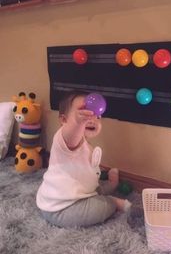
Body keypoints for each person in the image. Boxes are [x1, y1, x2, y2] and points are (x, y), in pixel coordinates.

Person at [36, 91, 131, 228]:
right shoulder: (64, 139)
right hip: (61, 208)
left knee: (97, 188)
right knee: (104, 206)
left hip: (78, 192)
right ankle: (113, 202)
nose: (91, 118)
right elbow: (72, 134)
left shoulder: (84, 144)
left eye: (97, 116)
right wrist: (78, 123)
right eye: (82, 113)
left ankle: (110, 185)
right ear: (64, 120)